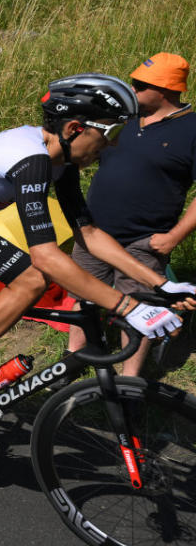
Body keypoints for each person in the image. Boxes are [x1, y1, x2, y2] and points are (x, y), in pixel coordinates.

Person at [0, 73, 196, 420]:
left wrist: (161, 283)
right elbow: (46, 256)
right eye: (111, 133)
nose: (112, 146)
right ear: (75, 129)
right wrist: (127, 306)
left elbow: (90, 234)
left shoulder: (59, 163)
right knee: (33, 277)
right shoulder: (32, 160)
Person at [65, 54, 196, 376]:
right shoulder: (124, 119)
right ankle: (73, 358)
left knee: (140, 306)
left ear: (165, 89)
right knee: (85, 294)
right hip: (94, 232)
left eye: (139, 85)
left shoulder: (192, 129)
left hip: (145, 239)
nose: (132, 90)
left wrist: (174, 237)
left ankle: (129, 380)